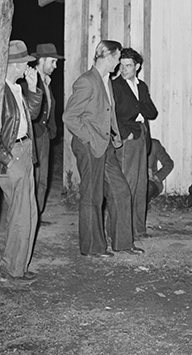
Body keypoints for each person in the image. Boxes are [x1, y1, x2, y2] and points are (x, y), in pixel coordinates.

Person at [64, 40, 141, 257]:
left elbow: (109, 112)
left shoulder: (106, 81)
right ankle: (93, 247)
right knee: (92, 196)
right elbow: (69, 117)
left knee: (121, 191)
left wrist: (114, 137)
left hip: (105, 145)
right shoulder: (87, 82)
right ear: (106, 56)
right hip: (89, 145)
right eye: (117, 58)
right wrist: (89, 138)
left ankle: (123, 243)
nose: (118, 63)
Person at [0, 40, 42, 282]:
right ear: (14, 64)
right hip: (13, 156)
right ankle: (9, 269)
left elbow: (30, 116)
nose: (27, 67)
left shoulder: (15, 88)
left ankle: (18, 267)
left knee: (29, 213)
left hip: (25, 151)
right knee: (19, 216)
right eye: (24, 63)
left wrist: (32, 88)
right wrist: (6, 159)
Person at [112, 48, 159, 239]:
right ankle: (124, 229)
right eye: (121, 66)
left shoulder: (142, 86)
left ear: (137, 67)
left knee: (141, 184)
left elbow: (152, 112)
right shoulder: (115, 85)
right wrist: (124, 134)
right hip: (128, 138)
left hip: (142, 136)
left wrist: (139, 107)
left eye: (128, 66)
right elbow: (113, 113)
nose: (124, 70)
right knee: (127, 185)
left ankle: (139, 227)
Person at [29, 42, 63, 223]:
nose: (55, 66)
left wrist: (52, 130)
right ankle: (30, 216)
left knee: (43, 178)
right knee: (34, 178)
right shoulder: (30, 80)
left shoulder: (47, 82)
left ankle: (37, 216)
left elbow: (51, 107)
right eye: (52, 62)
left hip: (44, 135)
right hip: (34, 135)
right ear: (41, 61)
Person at [146, 137, 175, 205]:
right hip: (134, 182)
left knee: (148, 187)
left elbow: (169, 163)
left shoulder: (153, 144)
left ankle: (142, 207)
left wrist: (157, 176)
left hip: (151, 183)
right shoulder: (127, 144)